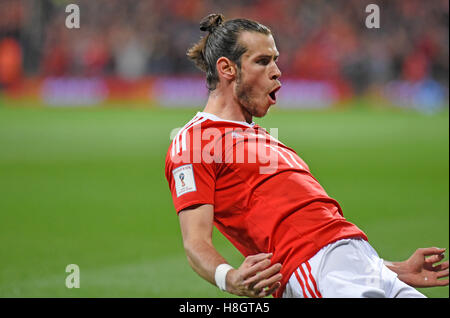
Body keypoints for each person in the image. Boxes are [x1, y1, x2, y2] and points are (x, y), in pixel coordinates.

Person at [164, 14, 449, 298]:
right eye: (262, 61)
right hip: (313, 271)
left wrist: (391, 270)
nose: (277, 72)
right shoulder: (195, 140)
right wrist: (229, 277)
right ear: (227, 68)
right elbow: (195, 242)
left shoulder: (263, 137)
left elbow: (325, 232)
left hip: (366, 263)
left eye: (275, 60)